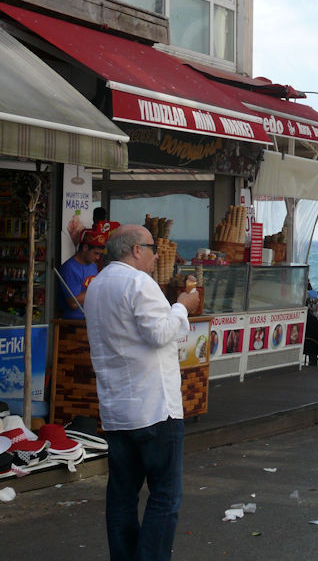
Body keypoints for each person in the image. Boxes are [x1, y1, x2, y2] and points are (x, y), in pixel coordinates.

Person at [83, 224, 199, 561]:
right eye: (152, 248)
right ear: (135, 249)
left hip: (118, 409)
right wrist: (182, 306)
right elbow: (160, 333)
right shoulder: (138, 282)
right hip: (154, 408)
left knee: (122, 497)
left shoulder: (97, 285)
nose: (156, 255)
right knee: (164, 496)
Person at [57, 229, 106, 319]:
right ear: (85, 247)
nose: (98, 257)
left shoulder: (93, 265)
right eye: (96, 253)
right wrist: (96, 287)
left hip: (91, 319)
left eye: (100, 254)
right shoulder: (69, 269)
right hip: (73, 321)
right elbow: (73, 303)